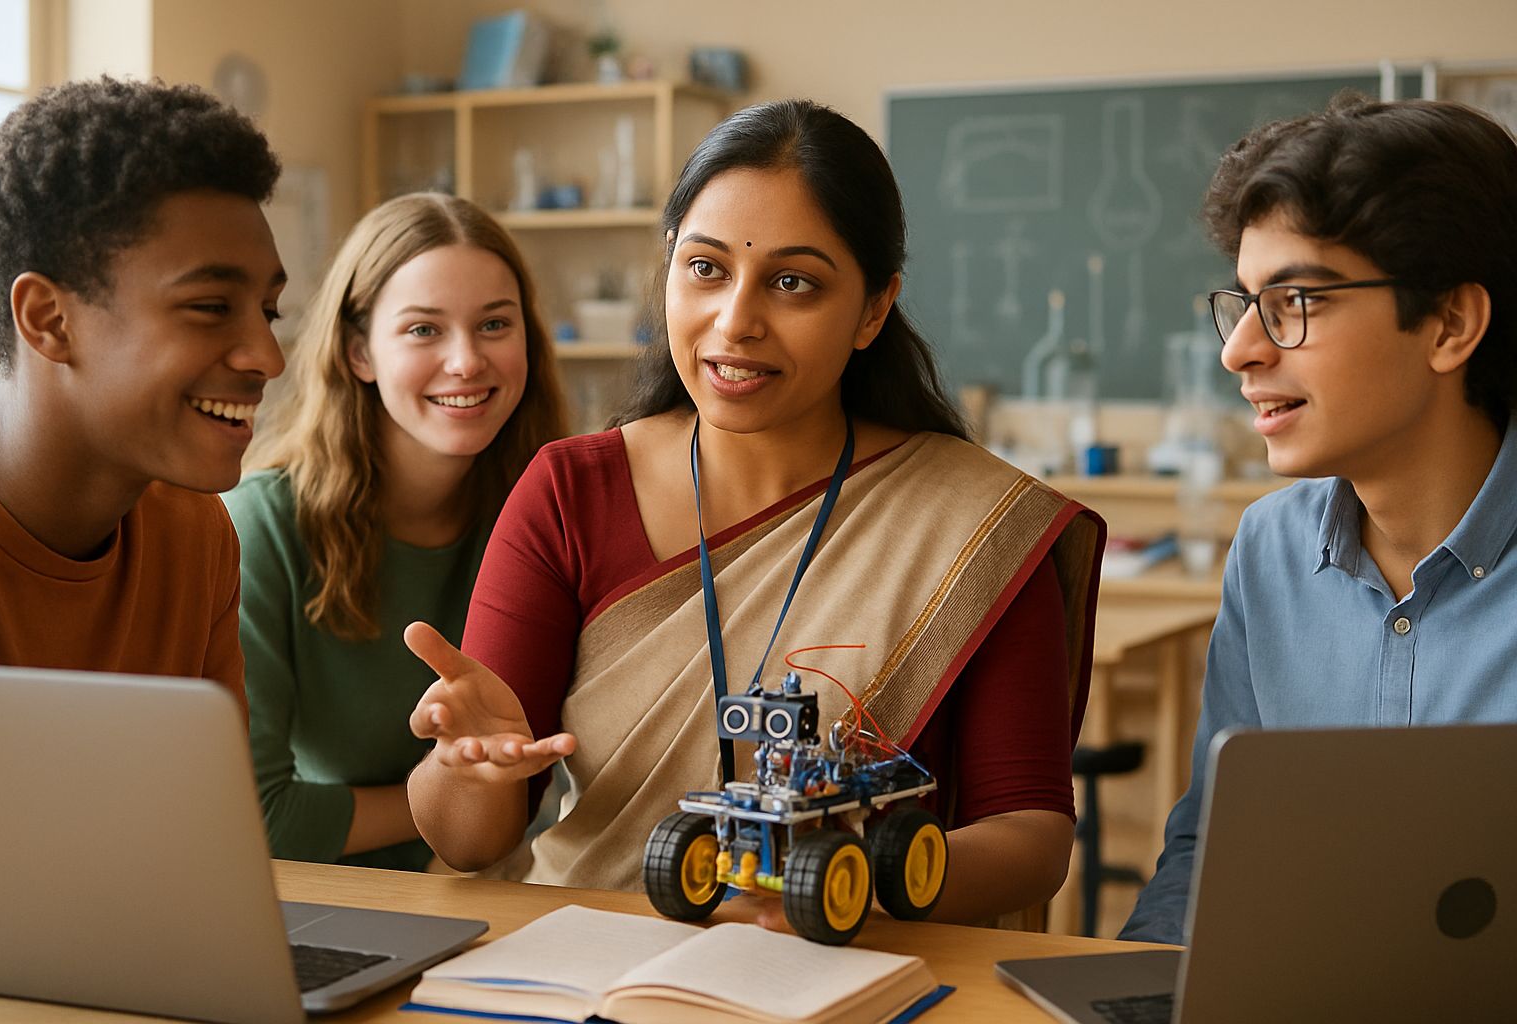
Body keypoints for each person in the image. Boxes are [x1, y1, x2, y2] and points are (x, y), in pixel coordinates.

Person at [403, 99, 1106, 925]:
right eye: (706, 269)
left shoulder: (973, 523)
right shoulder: (569, 492)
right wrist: (467, 768)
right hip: (596, 969)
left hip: (855, 974)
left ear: (874, 309)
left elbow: (1029, 837)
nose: (735, 323)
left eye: (792, 282)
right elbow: (471, 844)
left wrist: (840, 895)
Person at [1121, 95, 1517, 944]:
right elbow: (1208, 848)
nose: (1240, 351)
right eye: (1245, 302)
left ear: (1450, 323)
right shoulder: (1270, 549)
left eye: (1296, 300)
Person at [222, 193, 566, 870]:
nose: (466, 361)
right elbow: (256, 818)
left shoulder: (553, 521)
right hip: (323, 908)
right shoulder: (261, 528)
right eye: (423, 330)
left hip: (494, 892)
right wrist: (452, 794)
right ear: (359, 353)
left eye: (495, 324)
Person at [0, 77, 285, 709]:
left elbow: (201, 805)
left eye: (270, 311)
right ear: (49, 320)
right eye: (210, 306)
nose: (268, 357)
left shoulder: (196, 537)